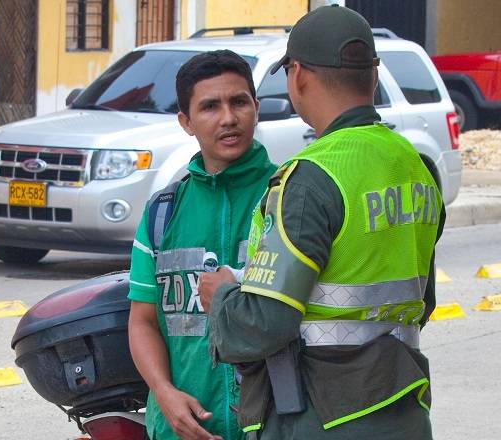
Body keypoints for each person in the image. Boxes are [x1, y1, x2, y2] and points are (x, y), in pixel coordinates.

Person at [199, 6, 445, 439]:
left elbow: (265, 325)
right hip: (402, 409)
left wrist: (222, 297)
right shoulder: (416, 167)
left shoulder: (312, 177)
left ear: (298, 75)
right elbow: (419, 302)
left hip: (321, 418)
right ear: (374, 73)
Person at [127, 49, 278, 440]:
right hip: (183, 428)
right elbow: (142, 321)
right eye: (210, 106)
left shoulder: (290, 197)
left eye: (239, 102)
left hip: (274, 426)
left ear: (256, 108)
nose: (228, 118)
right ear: (186, 122)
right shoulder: (163, 212)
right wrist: (164, 394)